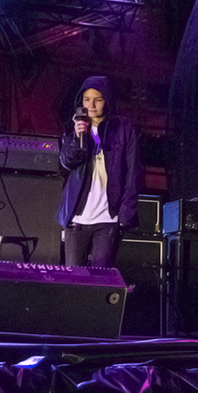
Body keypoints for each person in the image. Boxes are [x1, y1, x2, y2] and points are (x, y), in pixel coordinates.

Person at [56, 75, 142, 268]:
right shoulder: (72, 128)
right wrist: (78, 136)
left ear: (107, 100)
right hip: (77, 217)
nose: (91, 105)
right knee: (73, 277)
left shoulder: (123, 128)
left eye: (98, 99)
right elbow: (67, 162)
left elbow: (133, 172)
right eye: (87, 99)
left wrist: (125, 212)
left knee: (100, 277)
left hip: (107, 218)